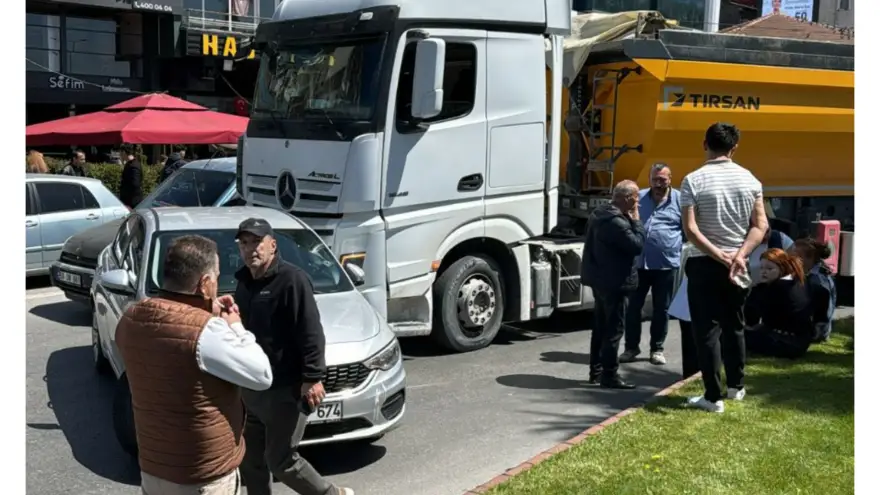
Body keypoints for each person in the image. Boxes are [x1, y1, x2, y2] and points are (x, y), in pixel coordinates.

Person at [115, 235, 273, 495]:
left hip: (154, 470)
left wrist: (203, 311)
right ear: (205, 284)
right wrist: (234, 325)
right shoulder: (207, 332)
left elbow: (173, 350)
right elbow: (262, 374)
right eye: (217, 277)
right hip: (202, 477)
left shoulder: (131, 319)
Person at [232, 218, 355, 495]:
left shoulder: (292, 279)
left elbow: (310, 331)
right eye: (244, 243)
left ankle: (331, 494)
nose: (250, 248)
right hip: (251, 389)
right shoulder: (242, 283)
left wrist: (312, 378)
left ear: (272, 245)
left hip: (284, 390)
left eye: (256, 242)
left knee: (281, 461)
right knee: (251, 462)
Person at [680, 122, 768, 413]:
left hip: (704, 261)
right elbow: (760, 225)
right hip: (738, 263)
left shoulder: (693, 180)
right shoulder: (751, 180)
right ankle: (736, 387)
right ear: (734, 147)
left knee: (706, 330)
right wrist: (740, 255)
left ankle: (713, 396)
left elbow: (691, 230)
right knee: (734, 324)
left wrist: (719, 255)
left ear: (705, 144)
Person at [581, 180, 646, 389]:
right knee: (613, 329)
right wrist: (636, 221)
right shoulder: (617, 222)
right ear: (627, 199)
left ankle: (596, 371)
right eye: (636, 198)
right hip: (616, 282)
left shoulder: (599, 214)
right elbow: (637, 245)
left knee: (600, 326)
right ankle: (609, 375)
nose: (638, 202)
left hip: (600, 279)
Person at [621, 163, 682, 366]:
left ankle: (657, 349)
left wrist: (673, 247)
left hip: (665, 265)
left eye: (662, 179)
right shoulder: (639, 198)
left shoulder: (681, 200)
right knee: (632, 309)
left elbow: (689, 230)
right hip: (638, 264)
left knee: (661, 309)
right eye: (654, 179)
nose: (658, 183)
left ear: (670, 179)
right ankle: (631, 348)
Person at [743, 248, 813, 359]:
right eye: (761, 268)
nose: (764, 272)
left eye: (770, 268)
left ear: (782, 269)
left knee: (735, 335)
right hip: (800, 342)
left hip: (786, 342)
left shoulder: (778, 288)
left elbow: (756, 316)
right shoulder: (797, 282)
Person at [792, 237, 837, 342]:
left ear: (809, 258)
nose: (791, 258)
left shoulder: (817, 281)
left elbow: (823, 311)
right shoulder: (815, 275)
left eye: (796, 256)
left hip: (817, 331)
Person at [667, 243, 700, 380]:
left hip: (692, 301)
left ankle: (694, 374)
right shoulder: (689, 249)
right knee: (690, 342)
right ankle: (690, 376)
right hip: (687, 300)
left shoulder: (689, 249)